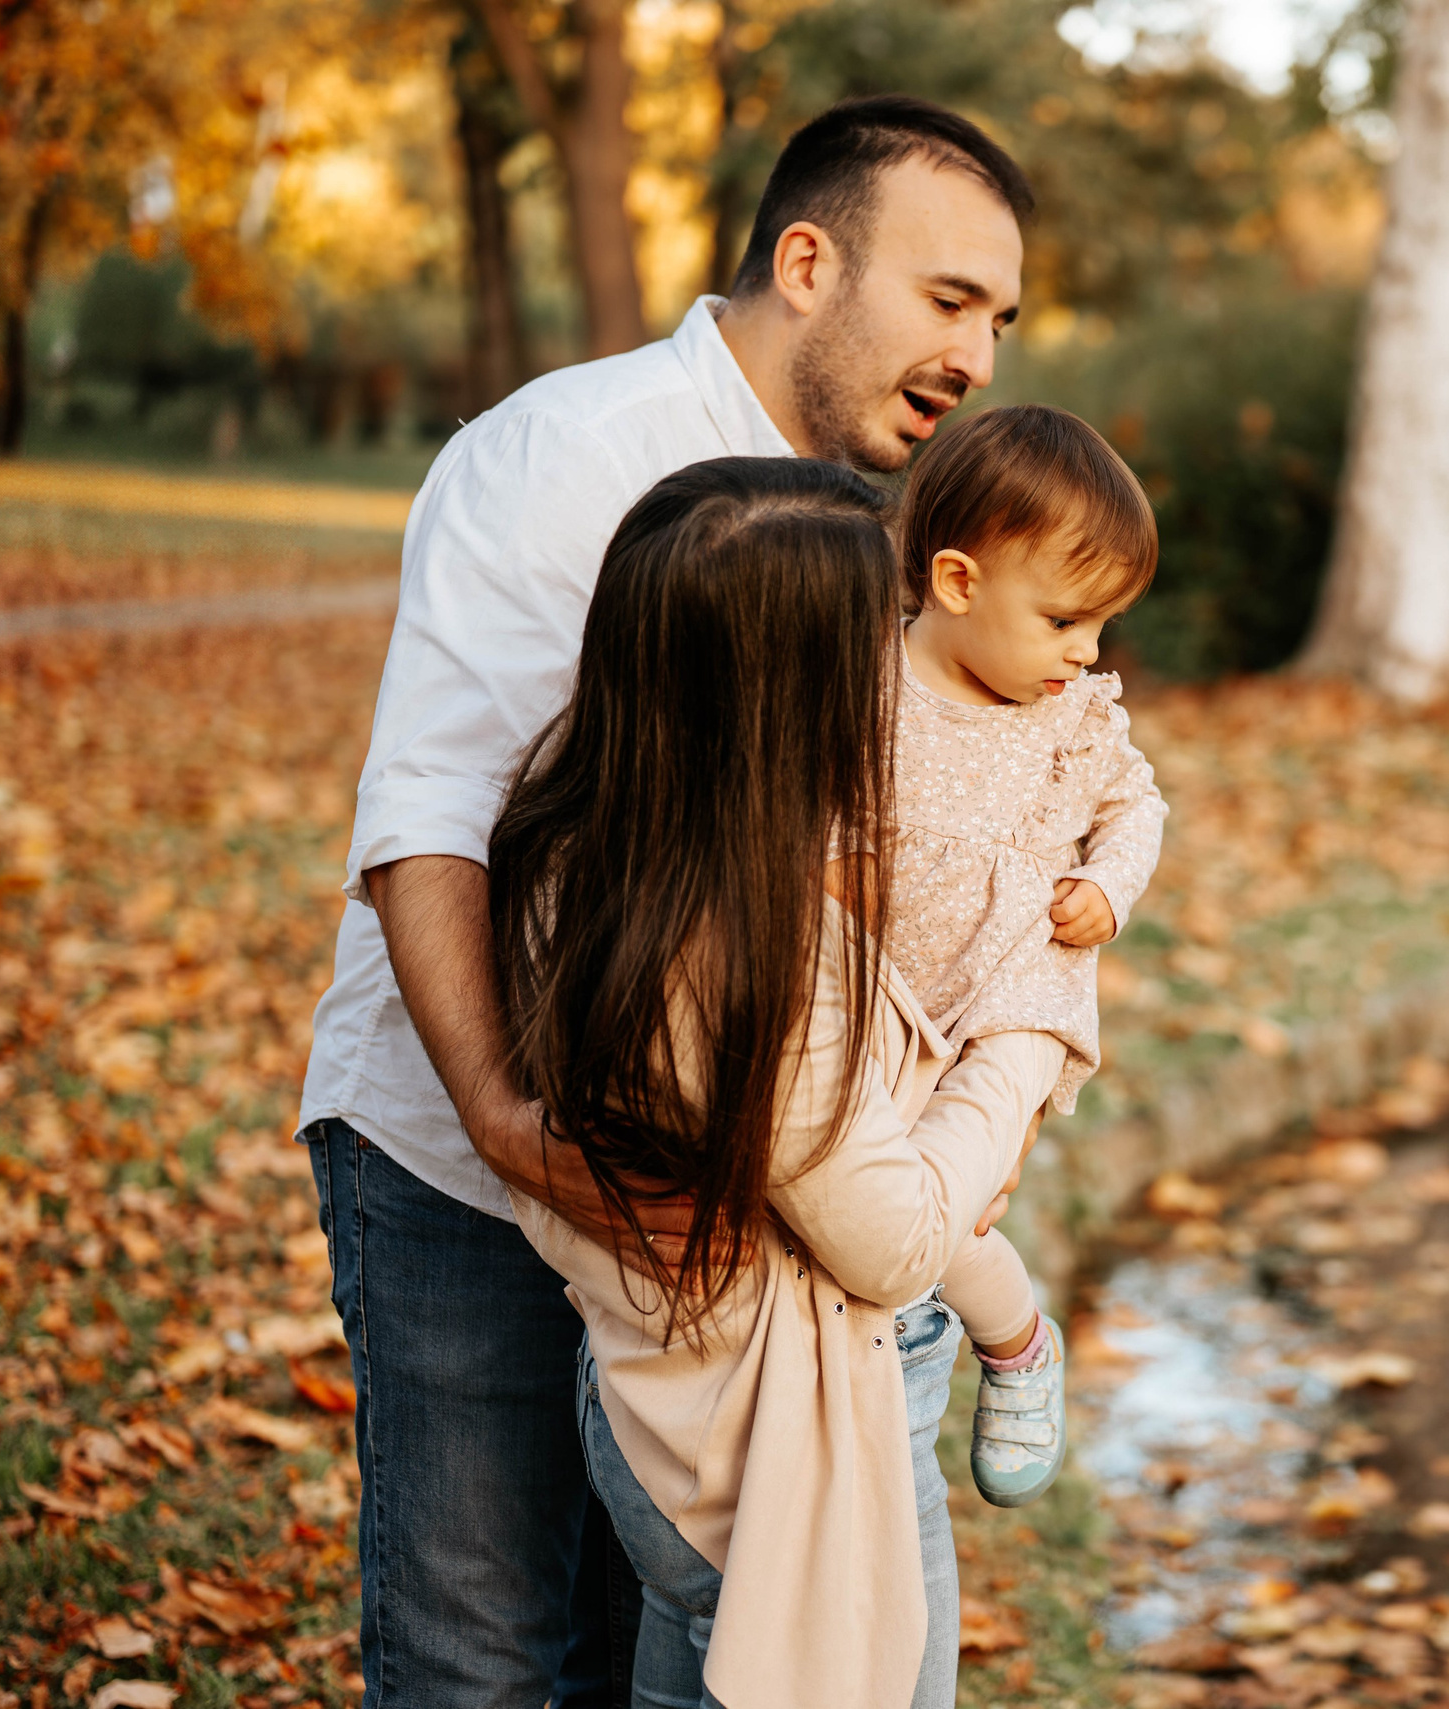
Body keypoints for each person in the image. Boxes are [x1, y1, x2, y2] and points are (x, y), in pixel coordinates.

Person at [296, 96, 1032, 1707]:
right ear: (810, 261)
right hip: (473, 1167)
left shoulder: (888, 525)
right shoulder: (561, 457)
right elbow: (428, 815)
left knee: (674, 1643)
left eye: (1003, 320)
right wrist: (507, 1123)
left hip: (738, 1219)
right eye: (951, 300)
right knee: (482, 1657)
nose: (981, 359)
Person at [491, 456, 1063, 1709]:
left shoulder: (572, 838)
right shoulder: (752, 959)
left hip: (654, 1383)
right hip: (769, 1429)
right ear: (792, 697)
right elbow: (897, 1242)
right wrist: (1023, 1039)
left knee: (687, 1664)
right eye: (878, 644)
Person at [879, 404, 1165, 1507]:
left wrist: (1104, 885)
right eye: (1064, 620)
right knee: (892, 1198)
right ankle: (1018, 1334)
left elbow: (1136, 807)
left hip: (1017, 992)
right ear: (956, 581)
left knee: (936, 1202)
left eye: (1101, 625)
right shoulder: (866, 686)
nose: (1087, 652)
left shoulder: (1069, 713)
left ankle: (1005, 1352)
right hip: (893, 995)